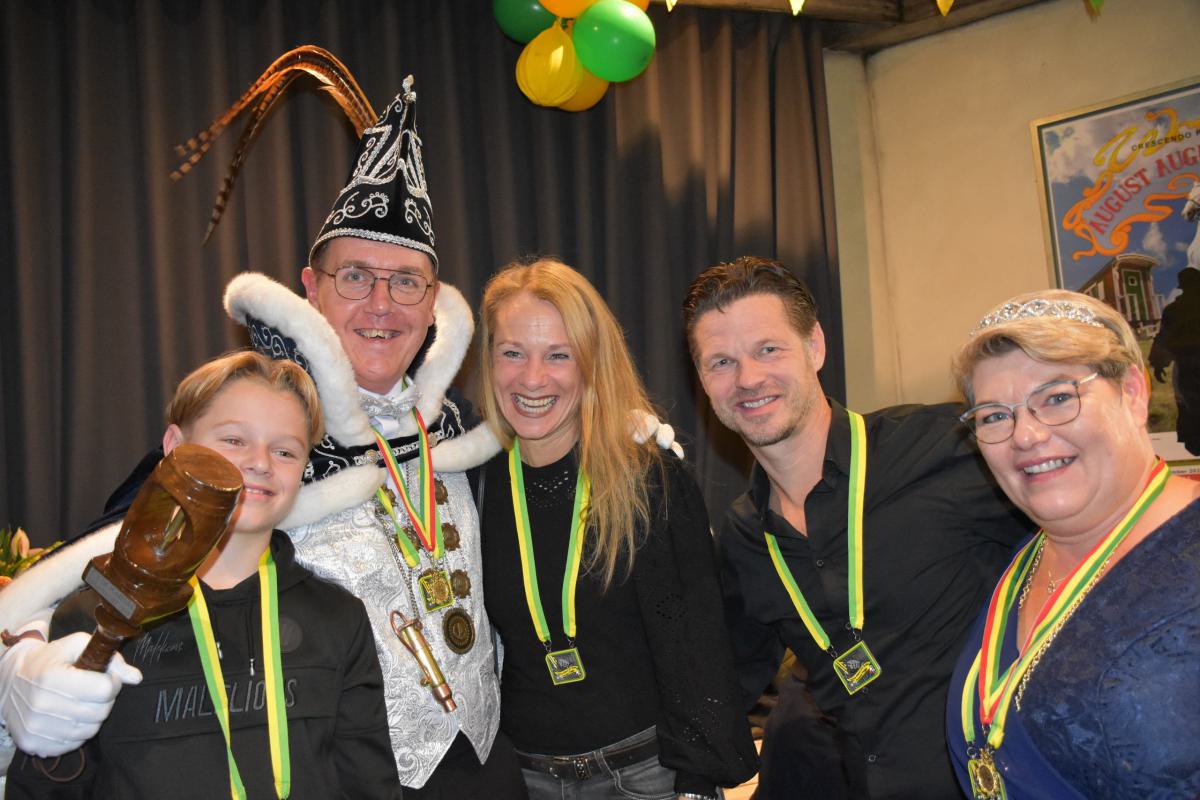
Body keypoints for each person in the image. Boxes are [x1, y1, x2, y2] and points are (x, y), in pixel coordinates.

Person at [0, 80, 523, 798]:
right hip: (339, 773)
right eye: (355, 276)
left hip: (484, 766)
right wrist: (22, 665)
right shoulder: (255, 437)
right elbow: (97, 567)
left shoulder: (458, 426)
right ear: (311, 287)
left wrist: (613, 427)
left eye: (407, 282)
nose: (381, 303)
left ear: (434, 302)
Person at [681, 256, 1031, 799]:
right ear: (702, 380)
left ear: (815, 346)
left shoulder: (948, 448)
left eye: (768, 349)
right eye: (721, 362)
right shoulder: (746, 537)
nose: (748, 379)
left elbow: (1082, 539)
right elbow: (723, 685)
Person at [5, 350, 401, 798]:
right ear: (175, 446)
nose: (260, 462)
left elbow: (369, 785)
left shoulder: (338, 617)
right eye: (233, 439)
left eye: (285, 450)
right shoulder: (97, 614)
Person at [476, 259, 758, 800]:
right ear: (488, 360)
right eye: (512, 353)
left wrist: (696, 784)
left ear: (591, 362)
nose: (532, 378)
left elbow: (697, 646)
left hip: (648, 776)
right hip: (525, 779)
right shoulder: (474, 487)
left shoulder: (648, 478)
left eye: (558, 355)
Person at [946, 290, 1200, 799]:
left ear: (1133, 393)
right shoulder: (1024, 560)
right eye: (994, 416)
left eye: (1057, 398)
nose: (1025, 436)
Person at [1149, 267, 1200, 455]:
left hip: (1185, 366)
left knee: (1189, 406)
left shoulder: (1173, 310)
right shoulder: (1173, 310)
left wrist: (1158, 365)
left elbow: (1163, 339)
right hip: (1186, 365)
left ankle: (1195, 443)